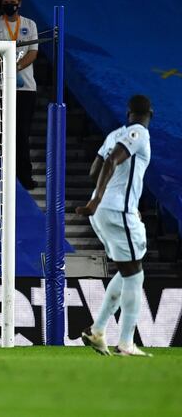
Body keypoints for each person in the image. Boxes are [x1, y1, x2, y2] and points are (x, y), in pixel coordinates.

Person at [77, 95, 153, 357]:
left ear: (127, 111)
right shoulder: (138, 133)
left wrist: (100, 199)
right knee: (135, 275)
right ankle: (126, 343)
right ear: (149, 113)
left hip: (108, 211)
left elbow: (94, 169)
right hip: (114, 209)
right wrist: (99, 200)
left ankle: (96, 330)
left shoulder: (114, 134)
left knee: (128, 270)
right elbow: (111, 162)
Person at [0, 0, 39, 190]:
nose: (9, 5)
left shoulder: (29, 25)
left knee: (21, 134)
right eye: (5, 2)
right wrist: (5, 70)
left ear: (19, 3)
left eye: (12, 2)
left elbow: (33, 53)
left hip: (25, 89)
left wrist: (15, 68)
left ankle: (24, 176)